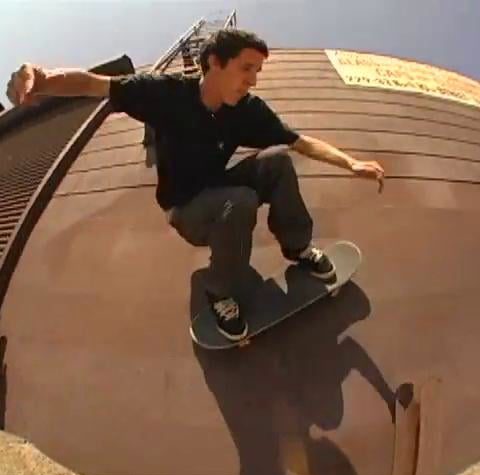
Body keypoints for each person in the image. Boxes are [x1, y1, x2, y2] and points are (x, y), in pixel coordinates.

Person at [6, 29, 384, 342]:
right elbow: (95, 85)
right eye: (246, 69)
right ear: (214, 63)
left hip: (219, 189)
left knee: (278, 162)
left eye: (257, 72)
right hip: (187, 210)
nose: (252, 81)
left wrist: (350, 163)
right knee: (240, 201)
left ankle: (298, 247)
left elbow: (299, 142)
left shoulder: (248, 110)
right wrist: (43, 77)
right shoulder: (165, 94)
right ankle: (220, 291)